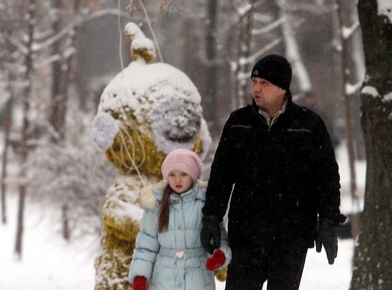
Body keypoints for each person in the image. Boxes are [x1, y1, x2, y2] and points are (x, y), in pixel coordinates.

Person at [200, 54, 346, 290]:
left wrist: (328, 221)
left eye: (264, 83)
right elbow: (221, 176)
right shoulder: (239, 123)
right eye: (254, 82)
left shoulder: (308, 126)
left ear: (282, 88)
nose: (256, 89)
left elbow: (327, 178)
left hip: (292, 237)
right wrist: (212, 216)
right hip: (246, 235)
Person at [128, 148, 231, 290]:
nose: (177, 180)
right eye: (172, 174)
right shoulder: (157, 204)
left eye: (183, 174)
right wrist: (140, 276)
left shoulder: (206, 203)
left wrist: (220, 255)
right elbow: (146, 245)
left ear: (193, 175)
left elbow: (220, 237)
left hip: (198, 279)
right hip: (163, 279)